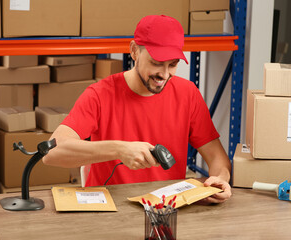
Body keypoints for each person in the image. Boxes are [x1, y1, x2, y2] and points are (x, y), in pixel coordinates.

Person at [43, 15, 232, 204]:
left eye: (173, 64)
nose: (164, 74)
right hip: (110, 210)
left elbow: (217, 157)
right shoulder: (100, 94)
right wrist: (119, 149)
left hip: (167, 209)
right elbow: (51, 153)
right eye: (156, 63)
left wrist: (220, 180)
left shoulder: (188, 94)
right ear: (134, 51)